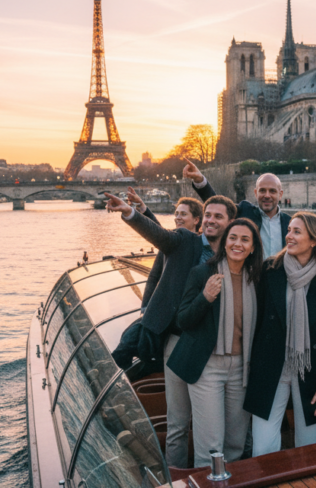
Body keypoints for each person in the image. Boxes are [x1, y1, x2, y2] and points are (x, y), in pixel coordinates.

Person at [104, 190, 236, 468]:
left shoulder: (235, 254)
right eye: (208, 215)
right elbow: (159, 236)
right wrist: (130, 212)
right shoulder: (185, 241)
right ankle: (175, 474)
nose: (210, 220)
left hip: (215, 346)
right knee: (177, 421)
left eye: (217, 216)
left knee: (208, 421)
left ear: (230, 222)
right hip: (177, 340)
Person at [244, 213, 316, 455]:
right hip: (270, 368)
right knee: (263, 446)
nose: (288, 235)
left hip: (311, 370)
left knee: (310, 447)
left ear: (314, 241)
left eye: (297, 231)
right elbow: (256, 322)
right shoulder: (270, 269)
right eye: (289, 229)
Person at [170, 219, 264, 467]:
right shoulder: (202, 273)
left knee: (235, 443)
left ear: (253, 247)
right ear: (224, 242)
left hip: (242, 368)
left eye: (245, 239)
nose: (238, 244)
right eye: (233, 238)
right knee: (210, 446)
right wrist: (205, 298)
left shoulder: (257, 279)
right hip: (207, 367)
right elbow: (183, 320)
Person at [184, 159, 291, 258]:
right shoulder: (245, 211)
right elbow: (219, 206)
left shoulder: (290, 223)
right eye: (262, 191)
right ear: (255, 193)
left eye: (272, 191)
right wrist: (200, 181)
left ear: (280, 194)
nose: (267, 195)